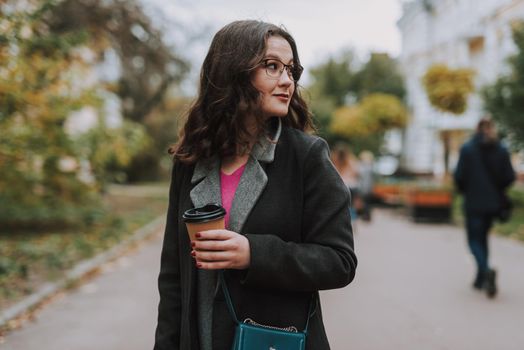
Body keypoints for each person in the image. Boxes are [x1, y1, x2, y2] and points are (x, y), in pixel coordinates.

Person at [154, 20, 357, 350]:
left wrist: (254, 253)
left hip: (274, 341)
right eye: (272, 67)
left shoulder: (306, 157)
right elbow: (174, 276)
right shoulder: (191, 161)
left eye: (291, 70)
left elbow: (339, 262)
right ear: (234, 72)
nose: (287, 81)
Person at [454, 117, 515, 298]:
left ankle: (486, 270)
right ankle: (480, 279)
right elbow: (509, 177)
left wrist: (467, 190)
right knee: (483, 239)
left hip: (473, 202)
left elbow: (459, 176)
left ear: (477, 128)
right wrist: (497, 190)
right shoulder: (501, 149)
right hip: (493, 203)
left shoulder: (467, 149)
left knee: (474, 240)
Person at [331, 143, 360, 221]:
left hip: (340, 185)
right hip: (352, 186)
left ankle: (342, 220)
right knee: (352, 205)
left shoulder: (334, 160)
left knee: (340, 205)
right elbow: (356, 172)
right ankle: (352, 220)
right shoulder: (351, 160)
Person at [357, 150, 375, 222]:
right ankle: (367, 216)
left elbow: (360, 177)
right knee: (367, 202)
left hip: (363, 187)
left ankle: (365, 216)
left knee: (365, 202)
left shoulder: (362, 166)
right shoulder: (371, 166)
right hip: (368, 187)